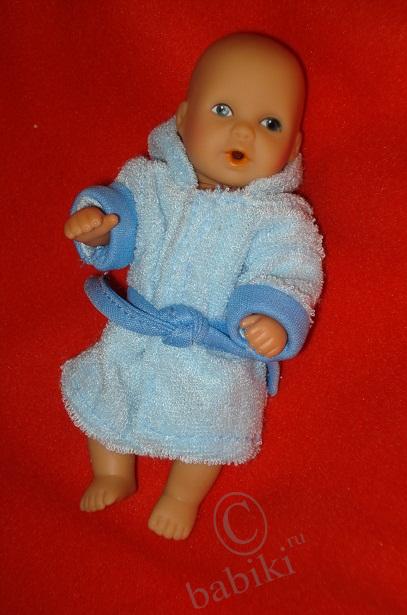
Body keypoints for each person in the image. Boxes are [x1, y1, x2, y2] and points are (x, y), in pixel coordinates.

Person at [61, 32, 324, 540]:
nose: (244, 131)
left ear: (293, 146)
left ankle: (181, 496)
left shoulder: (279, 219)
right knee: (108, 394)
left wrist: (272, 316)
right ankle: (113, 473)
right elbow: (123, 213)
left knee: (210, 427)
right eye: (223, 110)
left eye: (270, 123)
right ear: (183, 120)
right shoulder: (151, 182)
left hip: (213, 355)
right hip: (138, 334)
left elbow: (290, 272)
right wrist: (101, 225)